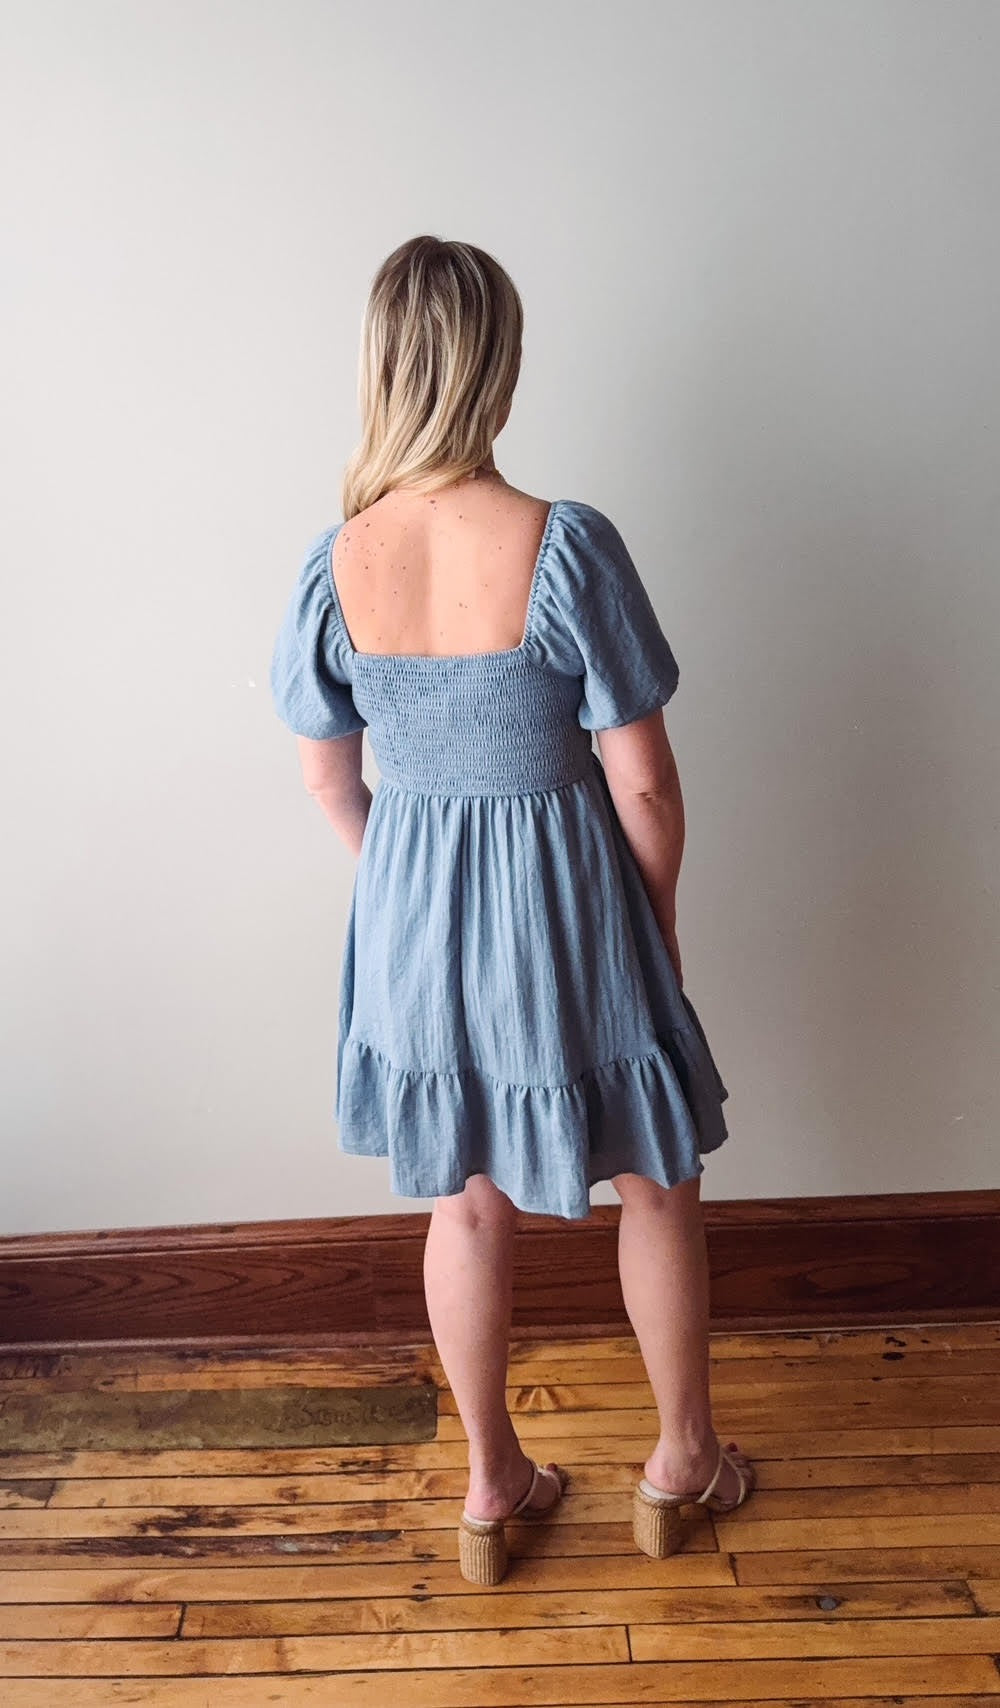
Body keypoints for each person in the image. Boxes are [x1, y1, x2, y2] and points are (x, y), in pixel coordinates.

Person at [270, 234, 756, 1586]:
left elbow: (326, 777)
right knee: (658, 1180)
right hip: (571, 901)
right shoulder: (566, 544)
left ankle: (491, 1491)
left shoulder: (337, 562)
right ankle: (681, 1467)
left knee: (465, 1203)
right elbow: (643, 779)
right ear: (499, 363)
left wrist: (410, 894)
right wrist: (652, 924)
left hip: (415, 912)